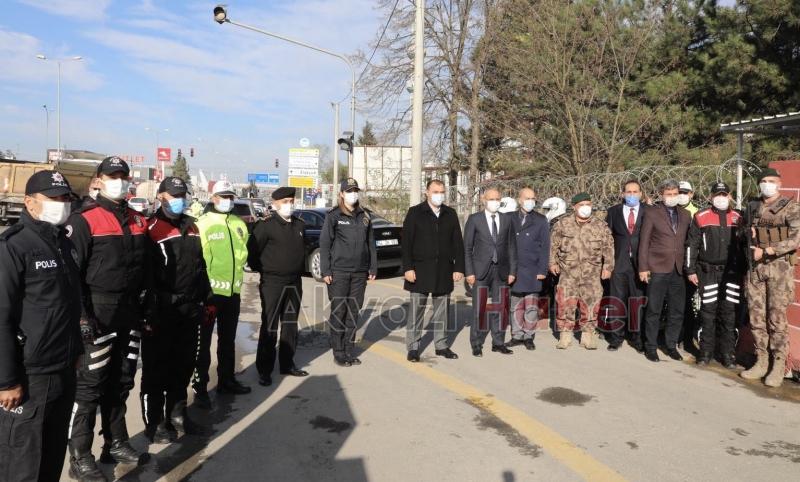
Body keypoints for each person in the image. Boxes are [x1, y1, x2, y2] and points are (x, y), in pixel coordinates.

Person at [65, 157, 149, 480]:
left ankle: (115, 443)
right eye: (112, 176)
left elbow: (147, 272)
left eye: (124, 176)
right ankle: (80, 456)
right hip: (96, 316)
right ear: (99, 180)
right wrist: (83, 318)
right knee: (89, 389)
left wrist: (147, 309)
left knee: (122, 383)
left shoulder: (138, 220)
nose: (120, 181)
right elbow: (72, 276)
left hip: (128, 315)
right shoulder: (84, 219)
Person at [0, 171, 82, 482]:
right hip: (29, 377)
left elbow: (69, 304)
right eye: (54, 198)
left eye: (65, 199)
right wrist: (6, 380)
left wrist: (76, 349)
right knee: (22, 466)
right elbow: (1, 316)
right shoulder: (13, 246)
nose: (61, 205)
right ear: (30, 203)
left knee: (50, 460)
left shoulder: (63, 244)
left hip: (62, 370)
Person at [140, 177, 211, 443]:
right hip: (161, 312)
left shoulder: (192, 227)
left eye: (182, 194)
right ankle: (155, 424)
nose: (179, 199)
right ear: (161, 197)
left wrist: (206, 299)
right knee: (157, 371)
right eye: (173, 195)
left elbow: (200, 267)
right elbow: (143, 276)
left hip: (190, 311)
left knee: (182, 367)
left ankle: (178, 415)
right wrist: (149, 310)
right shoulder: (151, 229)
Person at [740, 168, 800, 387]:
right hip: (755, 269)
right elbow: (744, 232)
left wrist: (768, 250)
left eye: (771, 181)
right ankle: (761, 360)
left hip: (778, 270)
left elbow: (795, 239)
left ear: (780, 183)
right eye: (763, 181)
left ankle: (778, 364)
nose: (767, 184)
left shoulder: (790, 207)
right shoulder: (754, 206)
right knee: (756, 318)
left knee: (776, 319)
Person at [193, 180, 252, 401]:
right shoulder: (203, 223)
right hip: (209, 293)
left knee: (228, 341)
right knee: (204, 343)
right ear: (213, 198)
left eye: (230, 197)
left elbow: (243, 255)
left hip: (232, 293)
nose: (227, 200)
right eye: (223, 196)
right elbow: (197, 259)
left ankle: (226, 380)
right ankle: (200, 388)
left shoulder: (239, 223)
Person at [249, 187, 309, 386]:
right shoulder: (266, 225)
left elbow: (304, 249)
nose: (289, 204)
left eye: (291, 200)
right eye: (284, 201)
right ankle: (264, 370)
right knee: (270, 325)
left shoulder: (300, 225)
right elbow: (253, 253)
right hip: (273, 282)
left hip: (294, 282)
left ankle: (287, 363)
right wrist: (265, 270)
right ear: (274, 204)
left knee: (290, 324)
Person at [401, 180, 465, 362]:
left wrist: (459, 267)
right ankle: (413, 347)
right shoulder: (415, 213)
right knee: (416, 311)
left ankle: (441, 345)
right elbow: (406, 244)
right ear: (427, 192)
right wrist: (408, 268)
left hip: (444, 269)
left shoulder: (450, 214)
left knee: (442, 311)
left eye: (442, 191)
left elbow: (457, 244)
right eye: (435, 191)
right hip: (419, 270)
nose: (439, 194)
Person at [320, 178, 377, 367]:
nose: (354, 194)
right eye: (350, 191)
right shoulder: (334, 216)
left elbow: (371, 243)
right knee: (339, 311)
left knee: (353, 311)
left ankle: (348, 349)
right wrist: (325, 270)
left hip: (360, 273)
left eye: (356, 190)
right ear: (342, 194)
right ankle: (338, 351)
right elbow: (325, 244)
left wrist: (373, 267)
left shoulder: (365, 216)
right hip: (339, 272)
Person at [685, 182, 743, 369]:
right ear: (710, 197)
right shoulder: (700, 217)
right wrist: (690, 270)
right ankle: (705, 352)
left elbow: (745, 246)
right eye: (717, 194)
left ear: (730, 196)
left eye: (724, 194)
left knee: (729, 312)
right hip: (707, 272)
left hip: (732, 273)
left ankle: (728, 354)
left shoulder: (739, 217)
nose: (721, 197)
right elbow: (691, 245)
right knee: (708, 312)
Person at [549, 193, 614, 349]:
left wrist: (608, 267)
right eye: (582, 204)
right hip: (568, 272)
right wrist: (552, 262)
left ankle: (587, 335)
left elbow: (609, 248)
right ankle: (565, 335)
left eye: (589, 204)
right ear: (574, 206)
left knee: (591, 305)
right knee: (565, 304)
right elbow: (553, 245)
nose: (586, 207)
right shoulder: (562, 224)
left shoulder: (600, 225)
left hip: (592, 273)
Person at [638, 179, 691, 362]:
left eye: (675, 194)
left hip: (678, 269)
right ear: (662, 195)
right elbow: (644, 242)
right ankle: (651, 346)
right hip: (657, 267)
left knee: (677, 310)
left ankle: (671, 345)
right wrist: (643, 267)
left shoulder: (685, 215)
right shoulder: (652, 213)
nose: (672, 197)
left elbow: (687, 242)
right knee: (654, 309)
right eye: (668, 194)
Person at [464, 188, 517, 357]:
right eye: (491, 199)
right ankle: (477, 343)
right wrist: (469, 272)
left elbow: (512, 247)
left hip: (501, 270)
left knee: (500, 308)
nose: (495, 202)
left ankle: (498, 342)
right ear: (483, 200)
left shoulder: (506, 219)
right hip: (480, 271)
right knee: (479, 308)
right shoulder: (474, 220)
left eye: (497, 199)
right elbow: (467, 248)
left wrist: (512, 271)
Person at [603, 180, 647, 352]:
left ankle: (637, 338)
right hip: (619, 263)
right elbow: (607, 239)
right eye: (628, 192)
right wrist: (607, 264)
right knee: (617, 300)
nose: (631, 195)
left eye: (635, 191)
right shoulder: (613, 212)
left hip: (640, 264)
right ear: (622, 194)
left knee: (637, 301)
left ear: (641, 194)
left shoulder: (648, 212)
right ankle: (616, 337)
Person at [506, 187, 549, 350]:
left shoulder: (540, 219)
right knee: (515, 305)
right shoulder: (509, 218)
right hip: (514, 268)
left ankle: (528, 336)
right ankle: (516, 335)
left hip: (533, 268)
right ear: (519, 199)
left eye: (533, 198)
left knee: (531, 306)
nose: (530, 201)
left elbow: (545, 247)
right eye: (527, 198)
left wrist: (542, 270)